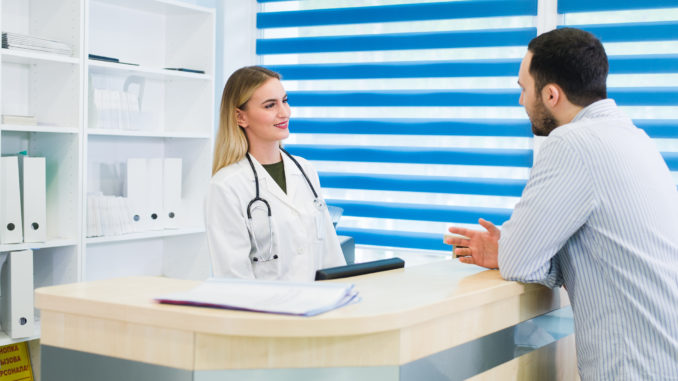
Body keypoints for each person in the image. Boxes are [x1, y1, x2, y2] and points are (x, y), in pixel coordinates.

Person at [444, 28, 678, 380]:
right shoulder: (635, 138)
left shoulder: (571, 142)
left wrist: (507, 251)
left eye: (523, 89)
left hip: (632, 368)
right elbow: (602, 250)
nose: (521, 101)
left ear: (551, 94)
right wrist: (514, 252)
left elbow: (519, 261)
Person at [206, 66, 346, 281]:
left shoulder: (305, 170)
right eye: (270, 105)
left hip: (318, 306)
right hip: (267, 311)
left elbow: (331, 255)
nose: (284, 112)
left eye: (285, 101)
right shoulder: (226, 186)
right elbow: (234, 277)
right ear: (240, 117)